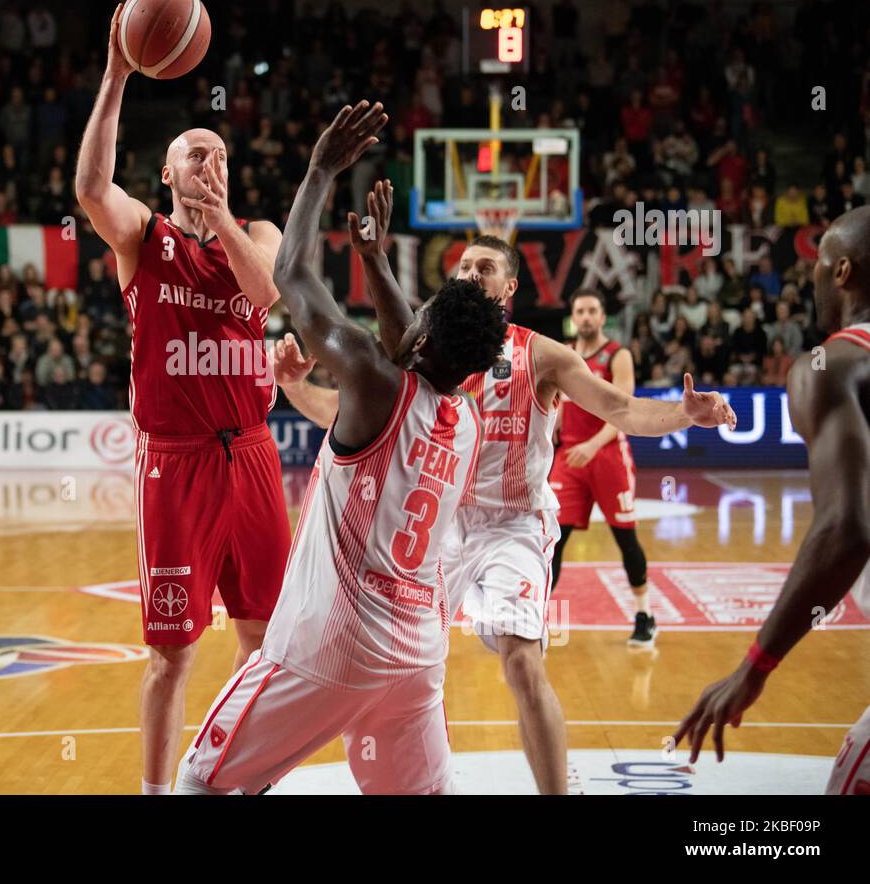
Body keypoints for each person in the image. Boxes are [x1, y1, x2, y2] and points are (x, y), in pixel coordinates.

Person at [276, 205, 737, 795]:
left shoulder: (540, 353)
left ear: (510, 287)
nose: (469, 273)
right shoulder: (422, 350)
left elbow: (620, 409)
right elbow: (353, 416)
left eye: (485, 267)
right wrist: (294, 385)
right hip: (440, 529)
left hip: (515, 526)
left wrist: (684, 415)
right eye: (463, 265)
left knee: (521, 658)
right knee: (409, 669)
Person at [177, 101, 506, 795]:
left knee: (201, 780)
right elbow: (410, 343)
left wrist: (321, 169)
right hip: (416, 659)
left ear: (421, 337)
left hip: (329, 647)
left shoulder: (373, 380)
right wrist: (375, 259)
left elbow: (292, 277)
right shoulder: (468, 419)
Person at [75, 1, 288, 795]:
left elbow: (265, 291)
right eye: (195, 154)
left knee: (265, 639)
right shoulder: (142, 239)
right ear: (165, 173)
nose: (209, 162)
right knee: (172, 652)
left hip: (254, 456)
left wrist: (222, 214)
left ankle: (225, 770)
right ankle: (157, 792)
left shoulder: (255, 232)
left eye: (220, 154)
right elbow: (91, 185)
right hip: (177, 466)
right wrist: (116, 72)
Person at [675, 205, 870, 795]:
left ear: (841, 272)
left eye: (815, 262)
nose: (807, 276)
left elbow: (848, 527)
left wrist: (754, 666)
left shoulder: (833, 363)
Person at [548, 289, 654, 644]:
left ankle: (645, 615)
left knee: (626, 538)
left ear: (602, 315)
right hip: (570, 457)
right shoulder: (565, 354)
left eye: (593, 310)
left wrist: (593, 445)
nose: (587, 317)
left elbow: (625, 410)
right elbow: (558, 405)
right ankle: (537, 620)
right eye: (581, 311)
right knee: (553, 540)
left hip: (607, 454)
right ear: (573, 317)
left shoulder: (617, 354)